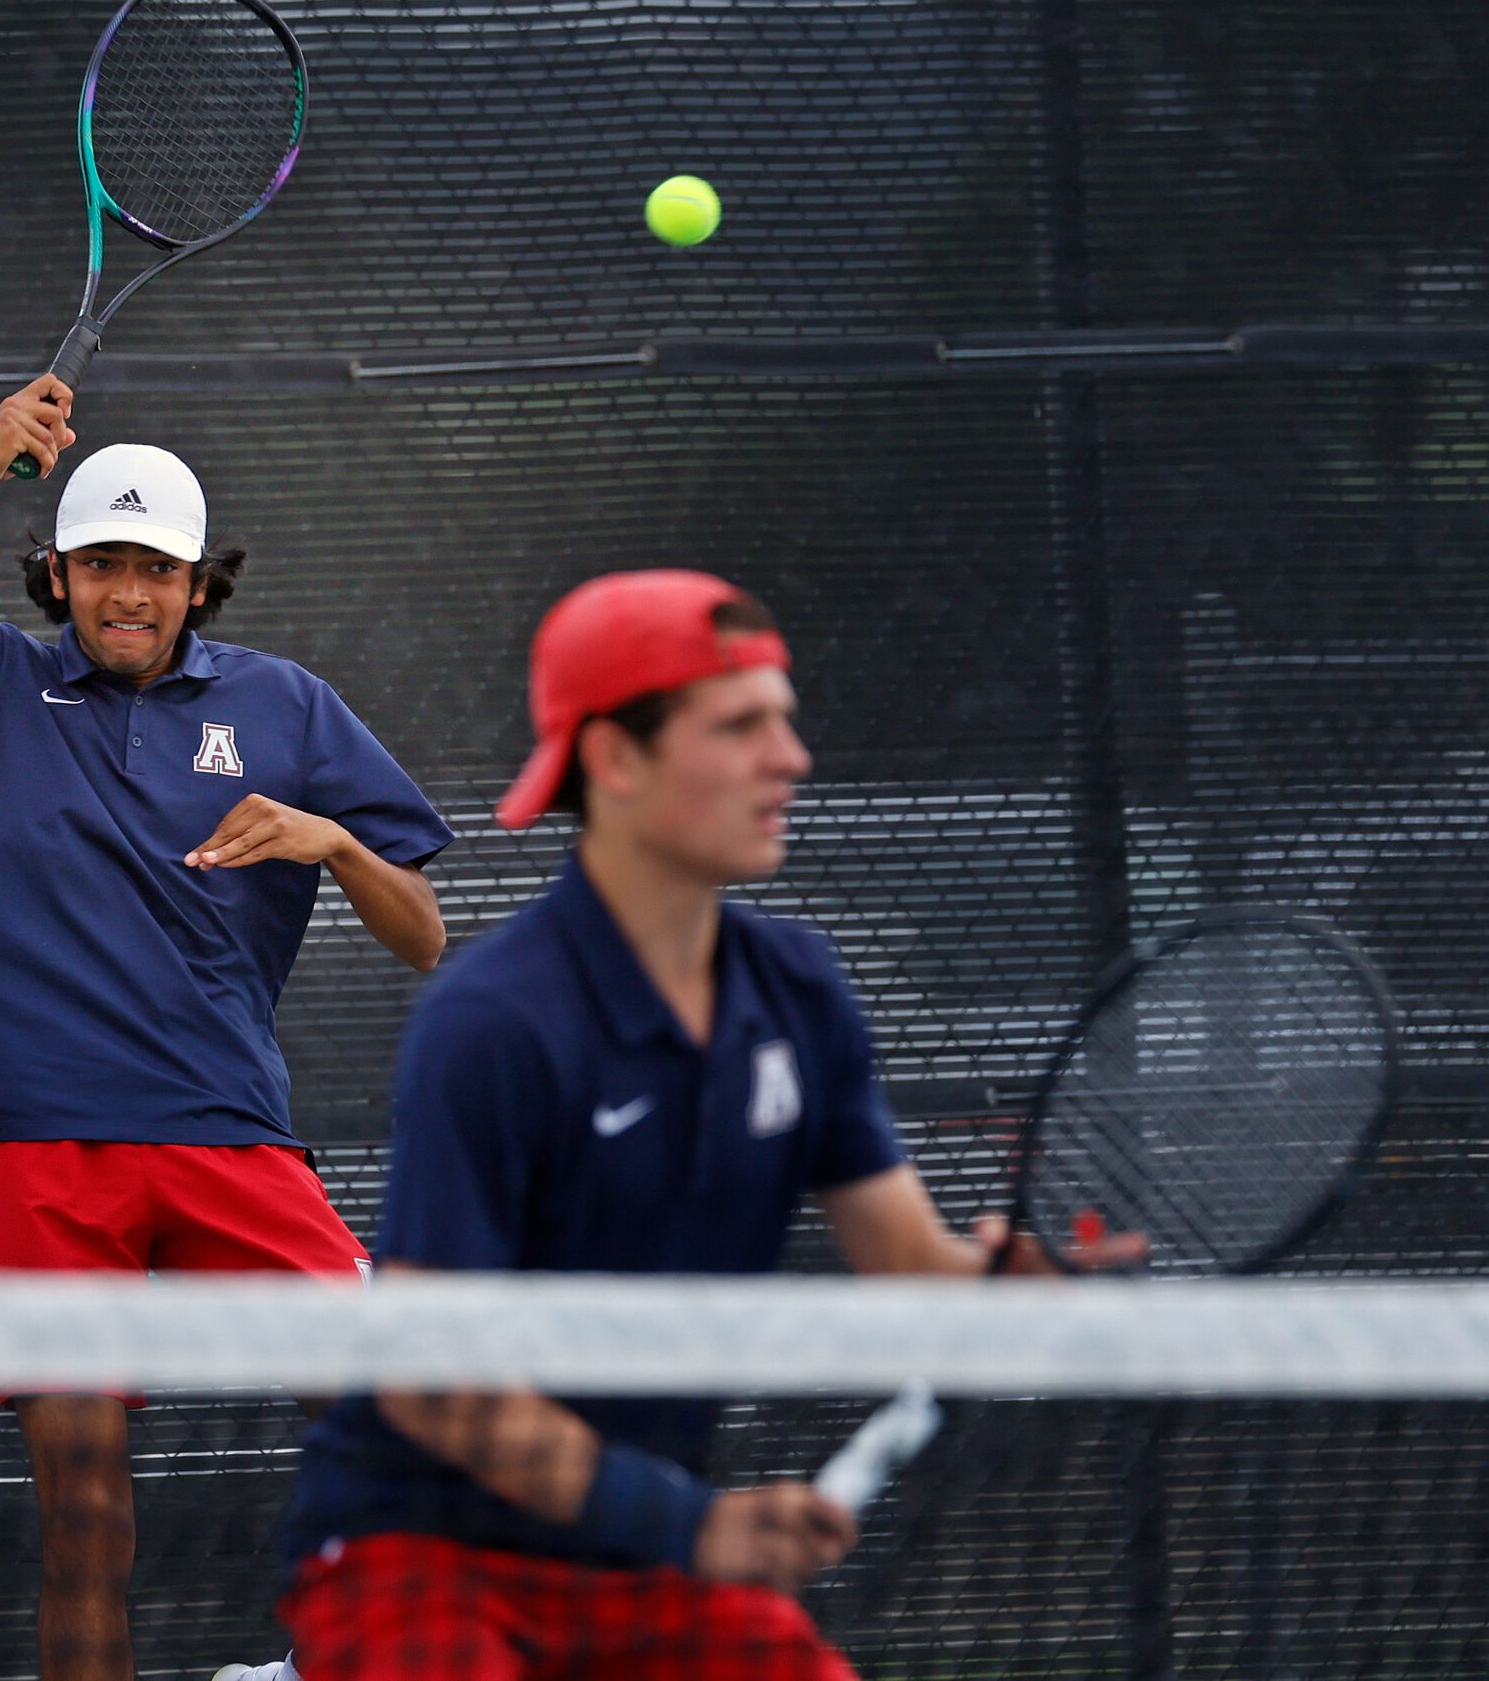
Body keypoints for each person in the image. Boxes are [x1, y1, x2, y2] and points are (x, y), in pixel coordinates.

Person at [278, 569, 1138, 1681]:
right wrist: (692, 1523)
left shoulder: (798, 991)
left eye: (784, 719)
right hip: (416, 1555)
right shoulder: (494, 1021)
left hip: (634, 1564)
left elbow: (914, 1265)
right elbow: (436, 1379)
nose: (792, 758)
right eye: (741, 725)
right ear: (617, 758)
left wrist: (1019, 1285)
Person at [0, 379, 453, 1681]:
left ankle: (327, 1664)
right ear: (58, 575)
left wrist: (329, 837)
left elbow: (423, 935)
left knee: (397, 1419)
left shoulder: (285, 704)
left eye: (157, 568)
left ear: (197, 585)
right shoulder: (1, 679)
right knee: (86, 1507)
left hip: (226, 1132)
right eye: (104, 562)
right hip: (36, 1140)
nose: (130, 590)